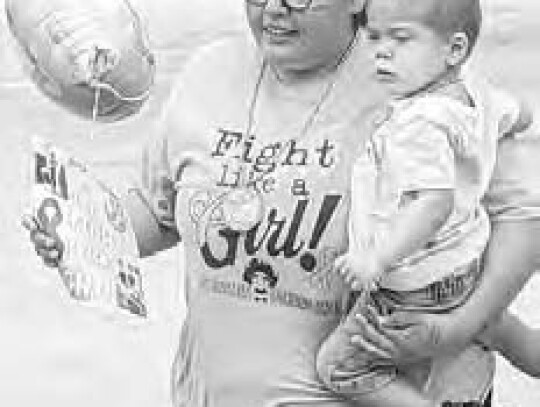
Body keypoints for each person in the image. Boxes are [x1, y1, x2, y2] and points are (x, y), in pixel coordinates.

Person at [23, 0, 540, 405]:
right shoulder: (208, 73)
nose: (273, 9)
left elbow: (523, 218)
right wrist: (87, 233)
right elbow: (161, 211)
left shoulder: (414, 72)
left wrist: (464, 325)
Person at [315, 0, 537, 406]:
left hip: (415, 283)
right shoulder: (476, 93)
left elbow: (433, 203)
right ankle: (507, 335)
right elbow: (520, 115)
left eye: (401, 39)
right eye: (375, 36)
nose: (382, 51)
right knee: (486, 321)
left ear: (454, 49)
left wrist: (376, 260)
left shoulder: (416, 125)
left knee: (338, 367)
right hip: (465, 268)